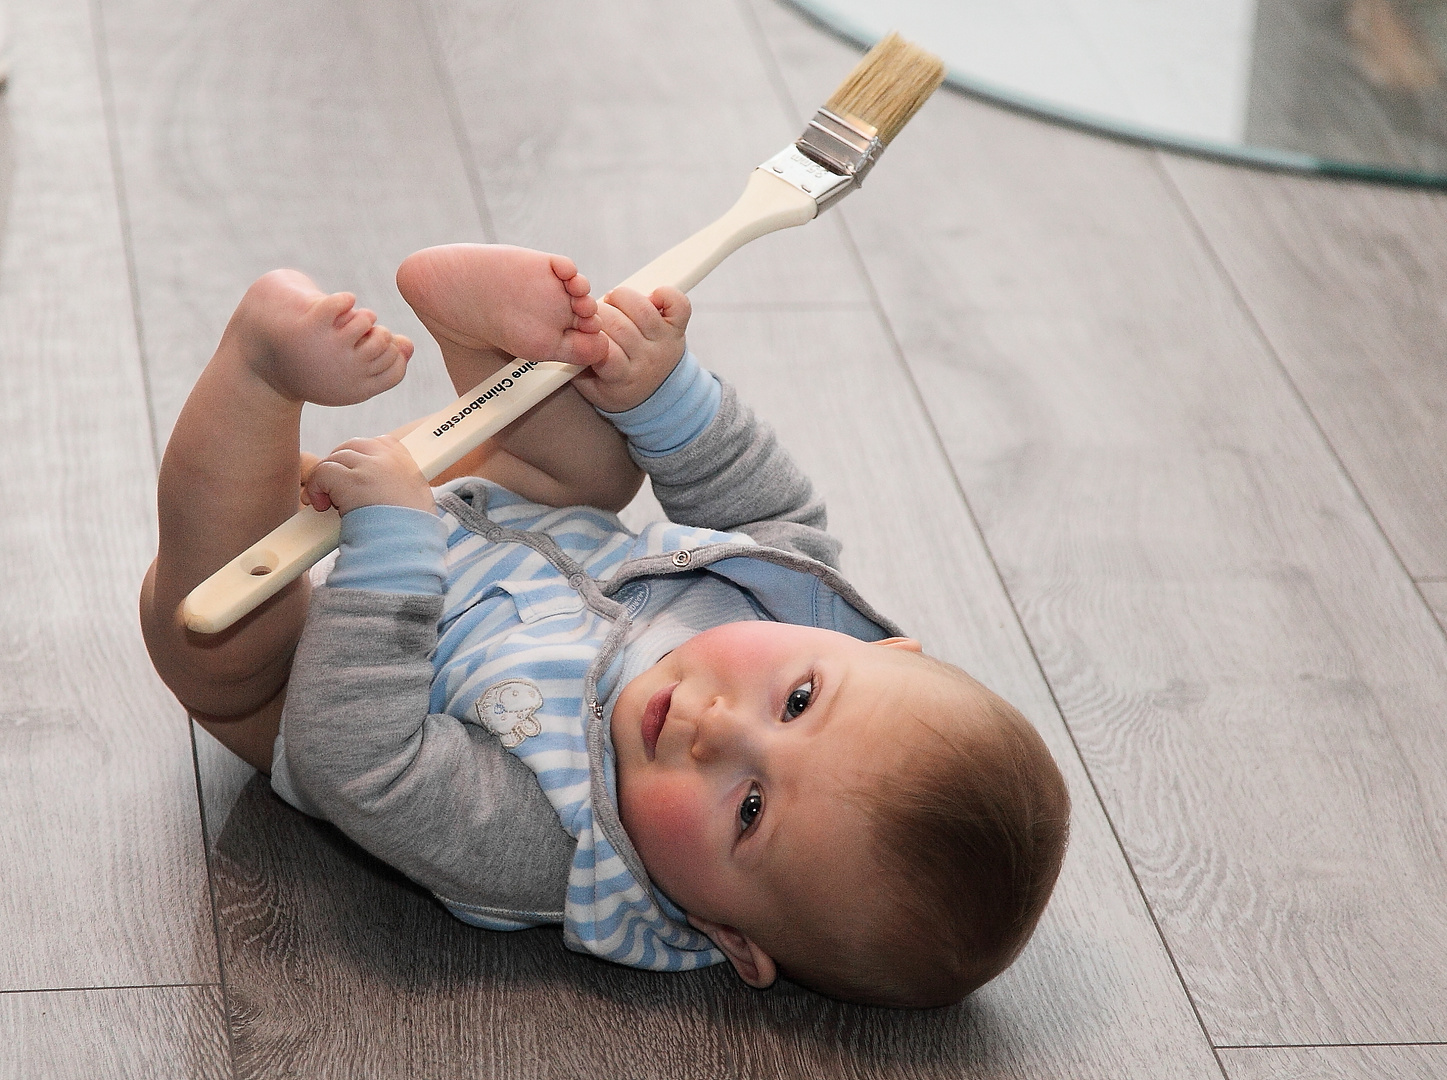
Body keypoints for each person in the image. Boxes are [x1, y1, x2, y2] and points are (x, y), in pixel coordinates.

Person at [140, 244, 1070, 1007]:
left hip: (321, 665)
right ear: (873, 649)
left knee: (217, 636)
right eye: (796, 700)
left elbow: (368, 763)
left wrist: (392, 545)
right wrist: (661, 396)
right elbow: (761, 498)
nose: (719, 729)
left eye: (750, 811)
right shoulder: (793, 598)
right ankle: (480, 337)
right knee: (594, 467)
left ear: (729, 935)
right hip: (509, 512)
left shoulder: (554, 842)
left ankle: (260, 366)